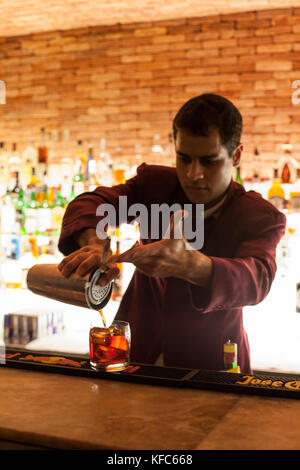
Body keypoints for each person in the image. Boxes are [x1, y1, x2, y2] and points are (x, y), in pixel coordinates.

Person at [58, 94, 286, 373]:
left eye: (209, 161)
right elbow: (89, 203)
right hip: (133, 354)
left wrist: (194, 266)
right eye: (184, 158)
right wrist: (94, 243)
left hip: (212, 366)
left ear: (236, 155)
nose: (193, 174)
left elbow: (256, 278)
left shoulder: (257, 214)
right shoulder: (155, 187)